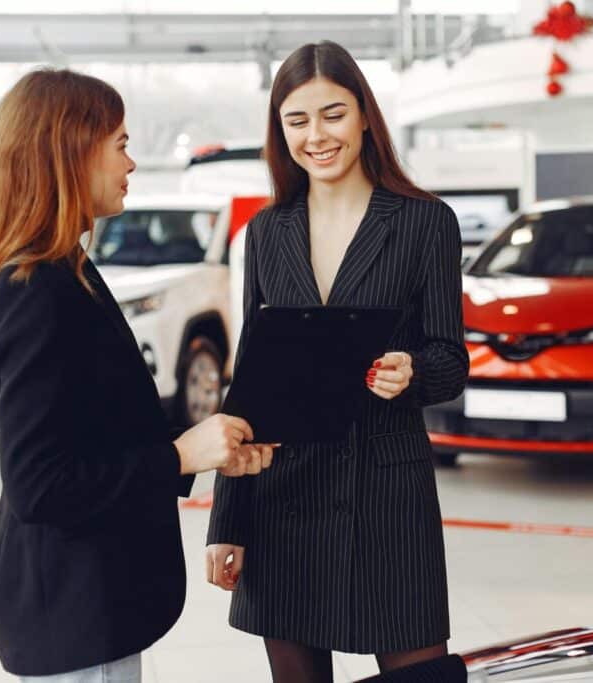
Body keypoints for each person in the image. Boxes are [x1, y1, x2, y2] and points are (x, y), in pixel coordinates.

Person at [0, 68, 275, 682]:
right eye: (121, 144)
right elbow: (39, 483)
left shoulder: (66, 268)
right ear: (69, 150)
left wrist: (203, 448)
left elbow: (94, 427)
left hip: (85, 600)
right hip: (70, 613)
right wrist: (180, 456)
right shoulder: (36, 288)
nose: (131, 164)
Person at [205, 42, 469, 682]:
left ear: (364, 118)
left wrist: (412, 373)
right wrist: (226, 521)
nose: (316, 136)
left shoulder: (424, 222)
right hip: (283, 493)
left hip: (386, 492)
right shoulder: (268, 231)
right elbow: (252, 381)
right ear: (280, 131)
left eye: (333, 114)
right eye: (297, 121)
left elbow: (450, 359)